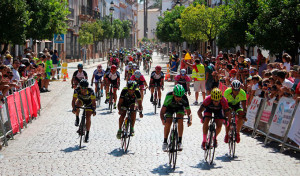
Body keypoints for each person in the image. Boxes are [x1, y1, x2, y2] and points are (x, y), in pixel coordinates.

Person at [160, 84, 192, 151]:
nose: (178, 98)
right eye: (177, 96)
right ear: (174, 94)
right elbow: (162, 111)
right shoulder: (169, 96)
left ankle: (180, 142)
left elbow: (189, 111)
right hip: (170, 108)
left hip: (180, 108)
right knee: (168, 122)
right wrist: (162, 119)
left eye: (180, 97)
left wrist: (190, 120)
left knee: (180, 119)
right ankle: (165, 142)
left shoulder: (184, 97)